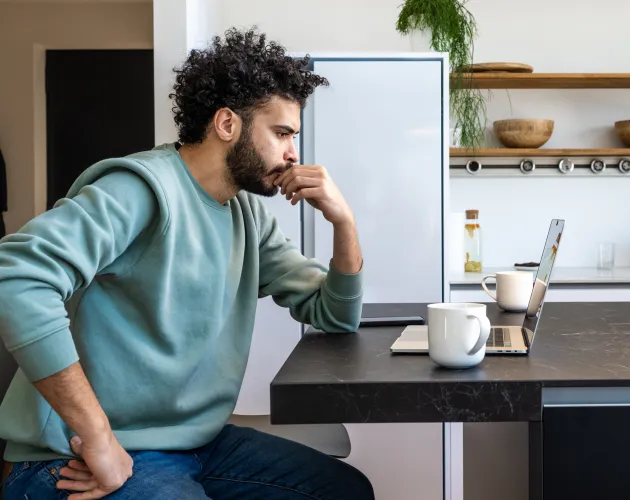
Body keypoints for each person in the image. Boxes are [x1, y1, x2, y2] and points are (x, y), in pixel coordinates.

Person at [0, 27, 373, 500]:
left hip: (195, 444)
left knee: (344, 491)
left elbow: (335, 314)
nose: (293, 153)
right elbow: (18, 278)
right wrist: (98, 438)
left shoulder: (246, 214)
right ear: (226, 124)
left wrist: (345, 223)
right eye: (281, 133)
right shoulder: (139, 190)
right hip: (75, 457)